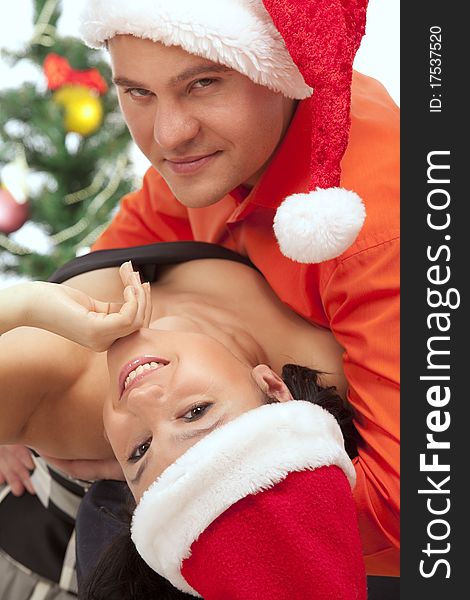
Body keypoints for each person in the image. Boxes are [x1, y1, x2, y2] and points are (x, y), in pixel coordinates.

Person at [76, 0, 400, 579]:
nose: (168, 135)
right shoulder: (214, 155)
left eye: (203, 83)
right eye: (138, 93)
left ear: (283, 67)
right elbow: (106, 262)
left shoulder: (377, 234)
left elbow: (407, 503)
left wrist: (183, 499)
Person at [0, 241, 366, 598]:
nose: (141, 400)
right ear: (272, 386)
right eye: (195, 413)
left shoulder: (62, 382)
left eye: (140, 450)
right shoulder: (341, 364)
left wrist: (26, 307)